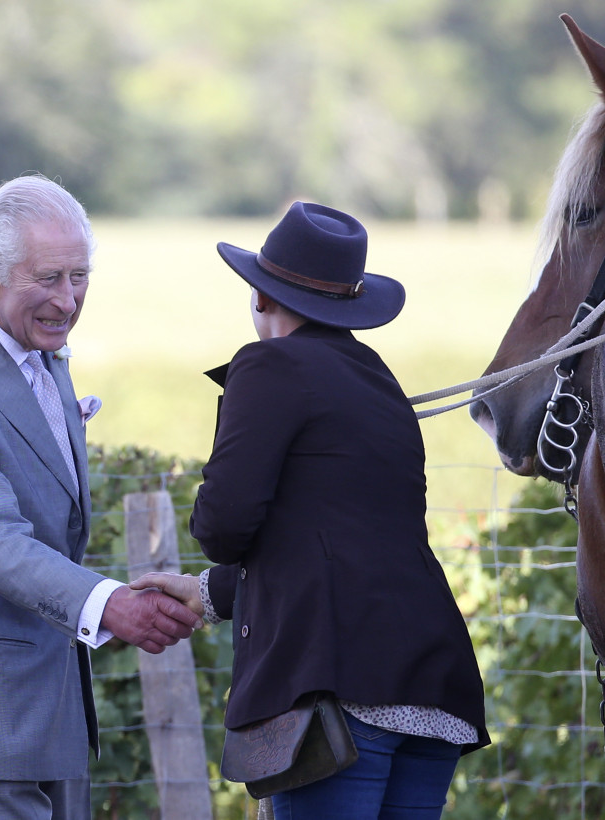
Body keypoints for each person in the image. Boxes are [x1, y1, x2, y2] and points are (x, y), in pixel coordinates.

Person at [137, 201, 490, 818]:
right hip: (433, 686)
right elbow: (345, 540)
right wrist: (209, 594)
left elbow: (223, 526)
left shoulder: (267, 366)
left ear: (261, 297)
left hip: (338, 691)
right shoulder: (380, 381)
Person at [0, 173, 203, 820]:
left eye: (80, 278)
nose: (69, 300)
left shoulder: (32, 341)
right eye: (48, 279)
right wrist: (108, 604)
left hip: (41, 711)